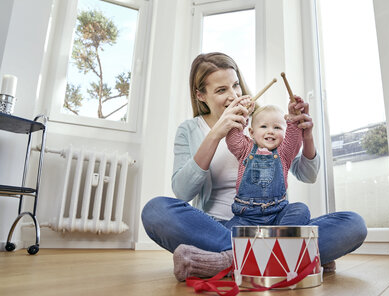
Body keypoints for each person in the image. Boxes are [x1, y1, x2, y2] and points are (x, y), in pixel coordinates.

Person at [141, 52, 367, 282]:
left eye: (236, 85)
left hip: (274, 225)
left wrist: (307, 136)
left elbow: (307, 175)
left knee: (353, 224)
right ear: (200, 95)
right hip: (219, 229)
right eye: (221, 90)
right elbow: (182, 192)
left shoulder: (262, 119)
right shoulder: (189, 130)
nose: (234, 95)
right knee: (155, 210)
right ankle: (296, 257)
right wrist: (216, 133)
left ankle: (228, 261)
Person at [224, 103, 310, 227]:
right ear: (252, 132)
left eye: (277, 128)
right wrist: (242, 116)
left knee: (301, 210)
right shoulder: (245, 149)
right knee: (226, 235)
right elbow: (233, 138)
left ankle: (278, 239)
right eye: (264, 126)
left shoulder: (284, 152)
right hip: (246, 217)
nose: (270, 131)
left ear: (285, 133)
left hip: (277, 214)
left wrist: (293, 118)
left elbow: (294, 138)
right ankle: (272, 240)